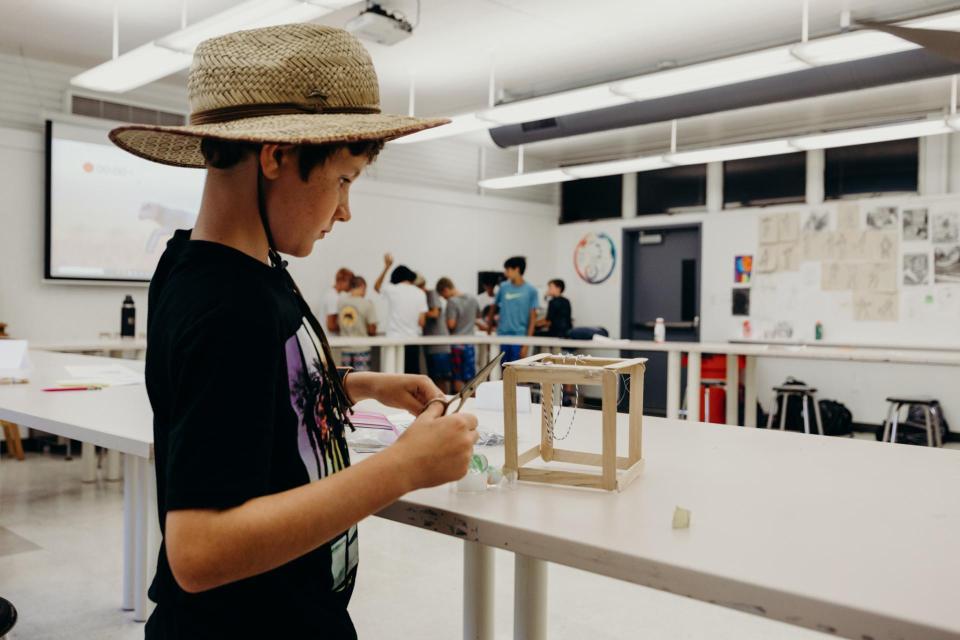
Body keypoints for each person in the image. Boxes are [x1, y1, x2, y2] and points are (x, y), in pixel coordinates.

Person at [111, 25, 477, 639]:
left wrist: (356, 385)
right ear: (276, 157)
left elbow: (249, 390)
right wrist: (401, 470)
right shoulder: (226, 306)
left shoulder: (225, 267)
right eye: (344, 180)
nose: (345, 210)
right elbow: (198, 553)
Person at [374, 253, 427, 374]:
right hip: (413, 341)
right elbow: (421, 322)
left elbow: (377, 287)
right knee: (412, 377)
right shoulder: (420, 293)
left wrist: (387, 266)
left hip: (394, 340)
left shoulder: (393, 289)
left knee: (394, 377)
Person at [493, 256, 539, 363]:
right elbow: (493, 308)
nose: (505, 273)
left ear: (517, 269)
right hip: (502, 335)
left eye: (508, 269)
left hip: (519, 336)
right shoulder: (503, 287)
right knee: (503, 368)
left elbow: (533, 319)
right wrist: (490, 328)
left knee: (516, 370)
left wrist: (527, 344)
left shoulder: (531, 290)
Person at [437, 277, 480, 392]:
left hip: (457, 345)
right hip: (470, 344)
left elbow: (451, 324)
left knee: (458, 377)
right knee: (471, 378)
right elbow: (478, 317)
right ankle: (473, 406)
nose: (445, 299)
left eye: (444, 296)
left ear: (445, 289)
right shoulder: (472, 299)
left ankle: (461, 406)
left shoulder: (452, 302)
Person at [419, 276, 452, 393]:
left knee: (440, 379)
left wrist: (420, 312)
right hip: (431, 347)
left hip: (439, 346)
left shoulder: (431, 294)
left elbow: (435, 313)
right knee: (434, 379)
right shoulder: (423, 296)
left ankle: (444, 404)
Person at [337, 275, 377, 371]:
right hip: (361, 348)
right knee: (361, 381)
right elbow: (372, 329)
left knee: (346, 379)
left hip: (345, 348)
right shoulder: (367, 304)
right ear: (362, 286)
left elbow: (338, 324)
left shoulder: (341, 303)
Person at [323, 267, 354, 333]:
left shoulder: (331, 294)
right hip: (330, 338)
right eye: (351, 282)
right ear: (342, 281)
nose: (352, 286)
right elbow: (331, 326)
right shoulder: (333, 297)